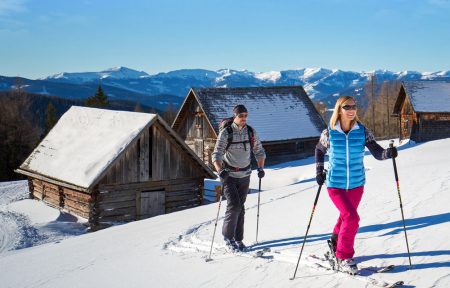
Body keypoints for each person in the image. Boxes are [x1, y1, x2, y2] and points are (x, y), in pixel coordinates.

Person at [315, 96, 398, 274]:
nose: (352, 109)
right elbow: (319, 150)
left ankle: (335, 246)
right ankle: (344, 256)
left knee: (345, 218)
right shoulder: (329, 132)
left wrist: (388, 154)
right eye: (347, 107)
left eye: (354, 106)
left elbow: (377, 152)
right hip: (335, 184)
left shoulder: (362, 131)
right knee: (352, 218)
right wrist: (319, 171)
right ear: (339, 109)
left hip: (356, 184)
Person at [212, 104, 266, 252]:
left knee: (240, 208)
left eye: (245, 116)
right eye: (241, 116)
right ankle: (228, 238)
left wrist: (260, 167)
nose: (243, 118)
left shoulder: (251, 132)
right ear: (234, 116)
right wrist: (220, 170)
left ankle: (238, 239)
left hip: (245, 175)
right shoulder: (226, 133)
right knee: (234, 205)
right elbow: (216, 155)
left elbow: (260, 152)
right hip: (228, 175)